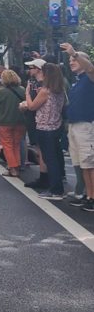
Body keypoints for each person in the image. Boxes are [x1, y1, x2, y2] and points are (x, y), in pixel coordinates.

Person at [21, 61, 66, 199]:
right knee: (55, 158)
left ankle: (56, 190)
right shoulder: (59, 90)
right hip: (55, 126)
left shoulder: (45, 91)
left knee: (49, 159)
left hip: (45, 127)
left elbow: (32, 106)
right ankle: (56, 186)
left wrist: (27, 93)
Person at [61, 43, 94, 211]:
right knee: (82, 164)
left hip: (86, 126)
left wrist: (75, 52)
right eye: (69, 59)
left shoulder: (90, 78)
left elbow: (91, 69)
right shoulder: (78, 82)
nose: (71, 61)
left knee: (89, 163)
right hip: (74, 126)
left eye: (74, 59)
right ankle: (88, 195)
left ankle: (92, 197)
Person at [0, 69, 28, 177]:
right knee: (16, 144)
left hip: (4, 121)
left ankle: (12, 167)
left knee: (7, 145)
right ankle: (17, 165)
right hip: (20, 121)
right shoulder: (22, 89)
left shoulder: (0, 91)